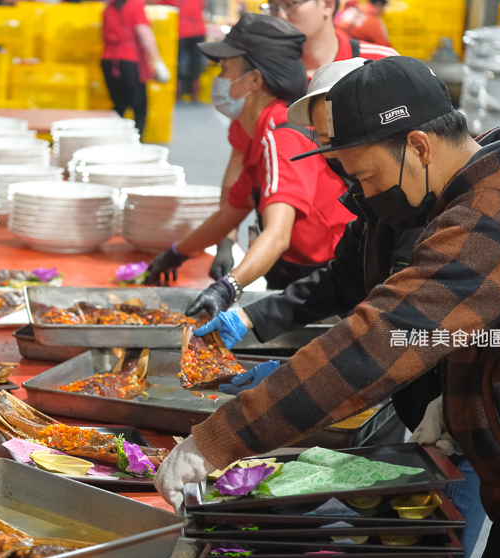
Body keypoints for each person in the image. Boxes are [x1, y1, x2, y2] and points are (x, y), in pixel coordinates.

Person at [154, 55, 500, 558]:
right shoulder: (463, 191)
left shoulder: (491, 210)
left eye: (366, 177)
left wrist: (217, 440)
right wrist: (464, 383)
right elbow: (482, 328)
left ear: (419, 146)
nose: (361, 195)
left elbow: (382, 336)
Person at [145, 13, 353, 319]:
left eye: (225, 68)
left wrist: (228, 287)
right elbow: (230, 213)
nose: (219, 77)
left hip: (329, 274)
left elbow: (278, 233)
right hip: (297, 266)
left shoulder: (280, 135)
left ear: (255, 80)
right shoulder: (258, 132)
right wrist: (176, 253)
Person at [190, 0, 400, 284]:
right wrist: (225, 241)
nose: (280, 14)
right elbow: (239, 171)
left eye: (290, 4)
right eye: (271, 5)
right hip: (297, 256)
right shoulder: (265, 86)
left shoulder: (379, 64)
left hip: (369, 243)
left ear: (327, 5)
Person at [101, 0, 171, 136]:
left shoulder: (108, 7)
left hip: (108, 60)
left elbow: (102, 35)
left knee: (118, 105)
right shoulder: (135, 5)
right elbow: (144, 34)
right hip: (129, 60)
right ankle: (137, 143)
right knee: (139, 106)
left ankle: (114, 140)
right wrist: (157, 62)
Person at [159, 0, 207, 100]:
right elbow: (203, 6)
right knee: (196, 63)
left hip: (181, 29)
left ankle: (177, 91)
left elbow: (161, 7)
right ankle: (194, 92)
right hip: (198, 28)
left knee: (177, 62)